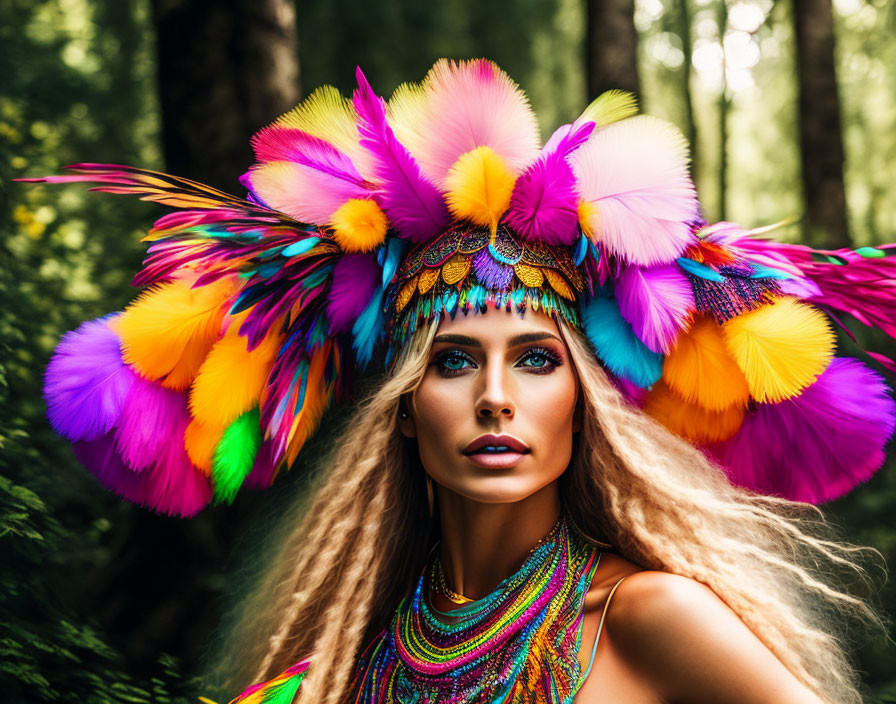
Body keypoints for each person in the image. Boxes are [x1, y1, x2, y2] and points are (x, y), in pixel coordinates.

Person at [24, 59, 896, 703]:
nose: (494, 396)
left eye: (536, 359)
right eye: (451, 361)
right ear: (402, 411)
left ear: (584, 407)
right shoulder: (345, 660)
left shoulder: (649, 617)